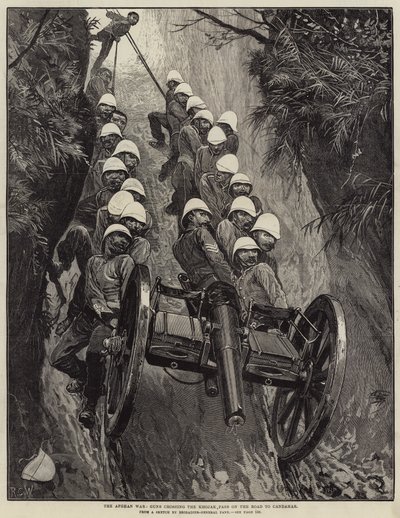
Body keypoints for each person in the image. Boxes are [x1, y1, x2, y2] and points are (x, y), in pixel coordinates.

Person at [78, 224, 136, 428]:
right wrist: (108, 318)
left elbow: (130, 295)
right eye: (118, 236)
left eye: (126, 239)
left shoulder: (126, 261)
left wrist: (121, 323)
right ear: (106, 238)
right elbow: (92, 293)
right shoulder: (94, 262)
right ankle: (90, 404)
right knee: (93, 353)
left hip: (125, 319)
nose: (123, 241)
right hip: (105, 317)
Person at [173, 199, 233, 290]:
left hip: (196, 291)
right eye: (202, 214)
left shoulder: (176, 246)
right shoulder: (202, 233)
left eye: (208, 216)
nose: (208, 220)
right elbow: (218, 262)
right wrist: (233, 283)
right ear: (190, 217)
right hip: (215, 286)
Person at [166, 109, 214, 215]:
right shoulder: (188, 130)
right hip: (185, 168)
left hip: (191, 170)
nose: (207, 127)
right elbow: (198, 149)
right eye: (205, 122)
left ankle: (176, 206)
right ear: (196, 121)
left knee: (188, 194)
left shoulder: (199, 135)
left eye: (209, 125)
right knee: (185, 198)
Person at [232, 237, 287, 319]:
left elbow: (276, 295)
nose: (251, 255)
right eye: (245, 251)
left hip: (270, 323)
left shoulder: (261, 269)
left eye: (254, 251)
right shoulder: (238, 281)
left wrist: (283, 320)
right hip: (251, 327)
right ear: (237, 255)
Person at [75, 157, 129, 231]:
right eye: (109, 173)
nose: (115, 177)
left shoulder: (127, 193)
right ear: (104, 178)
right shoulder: (102, 194)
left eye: (120, 174)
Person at [159, 82, 193, 182]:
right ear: (176, 95)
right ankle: (165, 172)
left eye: (187, 96)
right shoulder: (174, 105)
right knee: (176, 155)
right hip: (177, 135)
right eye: (182, 95)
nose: (185, 98)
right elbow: (185, 120)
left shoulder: (184, 106)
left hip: (183, 134)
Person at [90, 11, 139, 77]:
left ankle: (89, 37)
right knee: (103, 54)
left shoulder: (126, 25)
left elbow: (117, 31)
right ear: (128, 16)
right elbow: (114, 28)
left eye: (136, 19)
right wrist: (117, 37)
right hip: (108, 35)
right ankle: (93, 71)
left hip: (107, 35)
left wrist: (117, 37)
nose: (135, 20)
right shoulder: (123, 21)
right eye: (133, 18)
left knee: (100, 42)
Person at [83, 125, 124, 199]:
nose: (106, 139)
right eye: (103, 137)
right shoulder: (99, 156)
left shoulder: (122, 157)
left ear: (118, 138)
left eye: (111, 136)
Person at [199, 153, 238, 229]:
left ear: (231, 175)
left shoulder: (234, 188)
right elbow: (211, 208)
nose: (217, 173)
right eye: (217, 169)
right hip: (211, 225)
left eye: (223, 172)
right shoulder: (207, 180)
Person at [148, 70, 184, 149]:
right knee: (153, 116)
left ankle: (163, 142)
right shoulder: (175, 92)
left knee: (153, 116)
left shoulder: (172, 92)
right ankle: (162, 142)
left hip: (176, 122)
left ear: (172, 83)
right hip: (171, 118)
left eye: (169, 84)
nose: (168, 86)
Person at [216, 196, 257, 266]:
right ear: (234, 215)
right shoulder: (226, 225)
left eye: (250, 216)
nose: (249, 219)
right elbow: (232, 256)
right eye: (243, 215)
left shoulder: (245, 234)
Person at [193, 127, 228, 191]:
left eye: (219, 144)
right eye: (213, 144)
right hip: (202, 189)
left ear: (223, 144)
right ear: (208, 143)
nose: (216, 147)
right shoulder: (201, 151)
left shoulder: (227, 156)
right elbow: (197, 173)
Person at [250, 213, 282, 278]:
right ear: (255, 235)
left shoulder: (270, 259)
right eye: (266, 235)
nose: (271, 241)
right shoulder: (244, 252)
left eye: (274, 238)